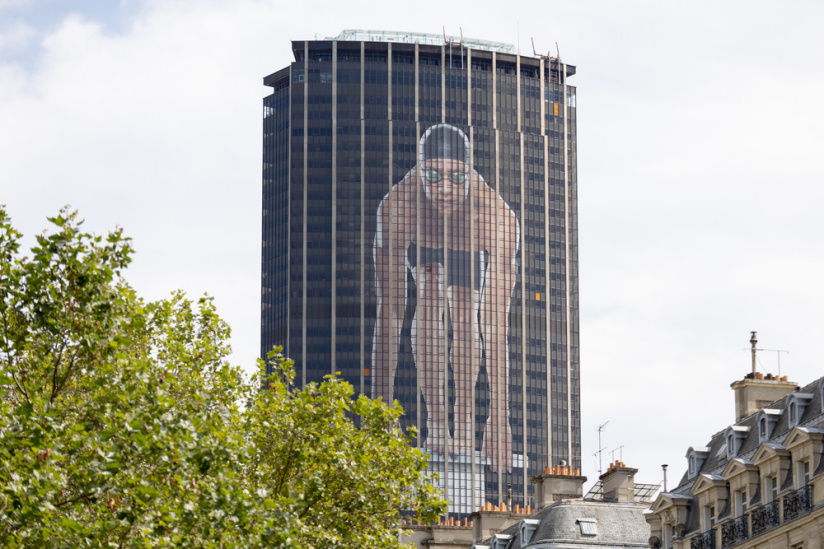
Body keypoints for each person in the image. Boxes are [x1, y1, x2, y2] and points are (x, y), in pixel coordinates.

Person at [372, 124, 519, 473]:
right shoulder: (398, 207)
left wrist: (499, 417)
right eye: (433, 176)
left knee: (467, 315)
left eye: (457, 177)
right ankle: (437, 423)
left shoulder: (496, 218)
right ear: (420, 171)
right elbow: (390, 314)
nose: (445, 188)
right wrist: (381, 413)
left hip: (469, 246)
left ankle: (464, 420)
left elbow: (495, 324)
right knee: (430, 294)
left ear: (470, 172)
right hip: (424, 244)